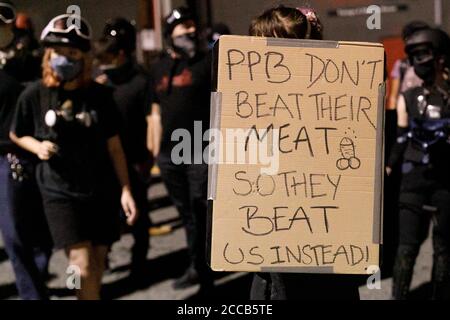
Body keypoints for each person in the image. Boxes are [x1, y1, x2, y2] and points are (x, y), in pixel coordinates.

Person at [10, 13, 138, 300]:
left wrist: (126, 189)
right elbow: (17, 133)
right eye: (57, 52)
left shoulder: (100, 96)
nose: (64, 58)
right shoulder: (34, 94)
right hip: (59, 192)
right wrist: (37, 147)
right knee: (79, 264)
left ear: (84, 57)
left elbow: (115, 147)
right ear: (47, 54)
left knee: (97, 260)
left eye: (72, 52)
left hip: (100, 190)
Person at [248, 6, 361, 300]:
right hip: (272, 226)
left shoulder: (343, 92)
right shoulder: (247, 95)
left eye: (274, 43)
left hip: (327, 235)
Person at [148, 7, 213, 293]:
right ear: (169, 35)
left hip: (199, 151)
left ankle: (206, 274)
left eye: (191, 26)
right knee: (186, 214)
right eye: (181, 27)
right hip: (169, 156)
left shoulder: (208, 62)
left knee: (200, 214)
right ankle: (195, 266)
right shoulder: (159, 68)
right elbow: (154, 112)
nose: (188, 31)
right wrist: (155, 152)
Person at [387, 28, 450, 300]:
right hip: (413, 180)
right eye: (413, 57)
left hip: (446, 181)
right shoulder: (408, 97)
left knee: (445, 248)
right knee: (407, 247)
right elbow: (400, 139)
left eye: (423, 55)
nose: (417, 62)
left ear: (439, 57)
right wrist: (388, 167)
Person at [0, 0, 52, 300]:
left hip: (34, 150)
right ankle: (33, 295)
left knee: (42, 231)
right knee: (14, 235)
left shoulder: (28, 59)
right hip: (6, 157)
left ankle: (38, 278)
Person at [94, 17, 153, 277]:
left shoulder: (141, 80)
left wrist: (148, 159)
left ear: (120, 53)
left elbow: (152, 120)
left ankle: (139, 260)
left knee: (138, 214)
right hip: (105, 160)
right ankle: (102, 257)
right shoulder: (100, 83)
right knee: (106, 214)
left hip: (134, 157)